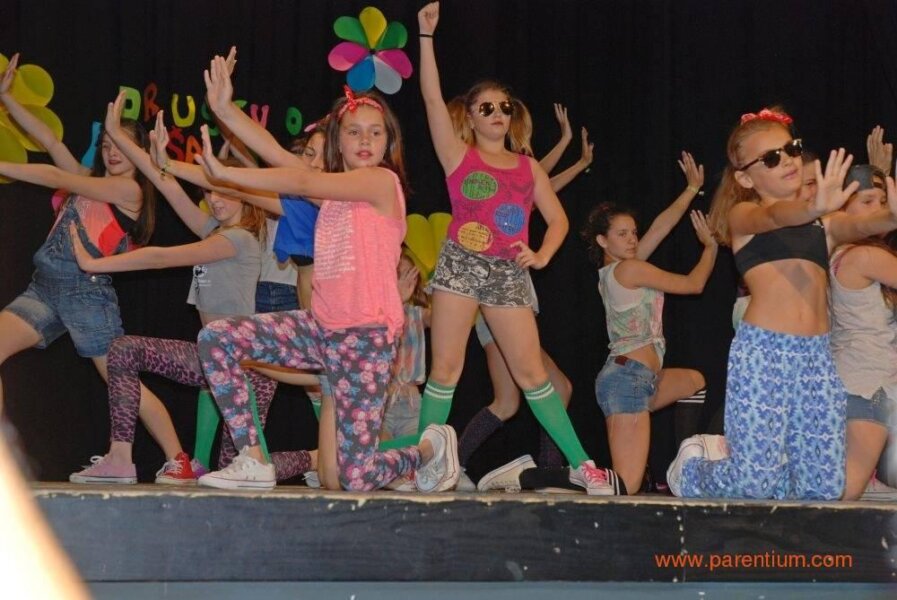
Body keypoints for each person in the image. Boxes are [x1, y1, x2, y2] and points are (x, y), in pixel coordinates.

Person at [189, 54, 459, 492]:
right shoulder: (334, 196)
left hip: (366, 339)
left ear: (388, 143)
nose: (365, 140)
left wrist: (228, 174)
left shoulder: (381, 183)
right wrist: (225, 110)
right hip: (320, 330)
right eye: (354, 131)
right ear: (339, 140)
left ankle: (430, 448)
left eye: (376, 132)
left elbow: (303, 182)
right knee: (216, 338)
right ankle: (253, 459)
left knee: (354, 477)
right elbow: (282, 157)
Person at [410, 2, 621, 495]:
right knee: (446, 369)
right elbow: (432, 99)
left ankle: (583, 466)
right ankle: (421, 462)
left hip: (507, 273)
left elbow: (559, 219)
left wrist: (542, 255)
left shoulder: (528, 168)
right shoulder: (457, 155)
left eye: (504, 107)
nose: (498, 114)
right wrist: (426, 37)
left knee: (532, 374)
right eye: (486, 107)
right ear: (470, 115)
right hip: (461, 267)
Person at [668, 107, 897, 500]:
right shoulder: (745, 215)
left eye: (792, 149)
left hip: (817, 358)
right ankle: (693, 471)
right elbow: (776, 215)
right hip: (765, 353)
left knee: (824, 488)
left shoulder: (824, 224)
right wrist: (813, 207)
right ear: (745, 177)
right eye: (772, 158)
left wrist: (890, 217)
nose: (788, 160)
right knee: (752, 483)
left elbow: (861, 224)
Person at [67, 96, 280, 484]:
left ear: (246, 197)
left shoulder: (238, 240)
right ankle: (120, 458)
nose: (215, 200)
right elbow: (166, 184)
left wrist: (94, 264)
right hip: (210, 359)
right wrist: (122, 137)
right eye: (211, 193)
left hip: (244, 369)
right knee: (123, 349)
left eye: (226, 193)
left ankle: (315, 460)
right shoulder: (213, 230)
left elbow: (161, 258)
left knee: (240, 471)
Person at [0, 54, 156, 415]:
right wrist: (7, 99)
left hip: (86, 295)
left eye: (121, 146)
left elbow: (57, 177)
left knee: (124, 385)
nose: (112, 153)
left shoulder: (129, 191)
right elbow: (51, 142)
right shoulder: (90, 180)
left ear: (140, 153)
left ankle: (175, 447)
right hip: (45, 288)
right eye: (107, 145)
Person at [579, 155, 716, 496]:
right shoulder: (629, 270)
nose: (632, 239)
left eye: (633, 233)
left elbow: (660, 227)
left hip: (642, 379)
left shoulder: (622, 267)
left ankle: (680, 466)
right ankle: (544, 479)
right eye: (622, 234)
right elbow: (693, 284)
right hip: (627, 379)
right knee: (626, 485)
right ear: (602, 241)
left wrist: (691, 189)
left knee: (695, 382)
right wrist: (711, 248)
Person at [829, 164, 897, 500]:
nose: (879, 210)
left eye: (883, 202)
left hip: (856, 378)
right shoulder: (864, 256)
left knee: (845, 488)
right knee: (846, 491)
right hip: (869, 383)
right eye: (867, 202)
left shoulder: (838, 254)